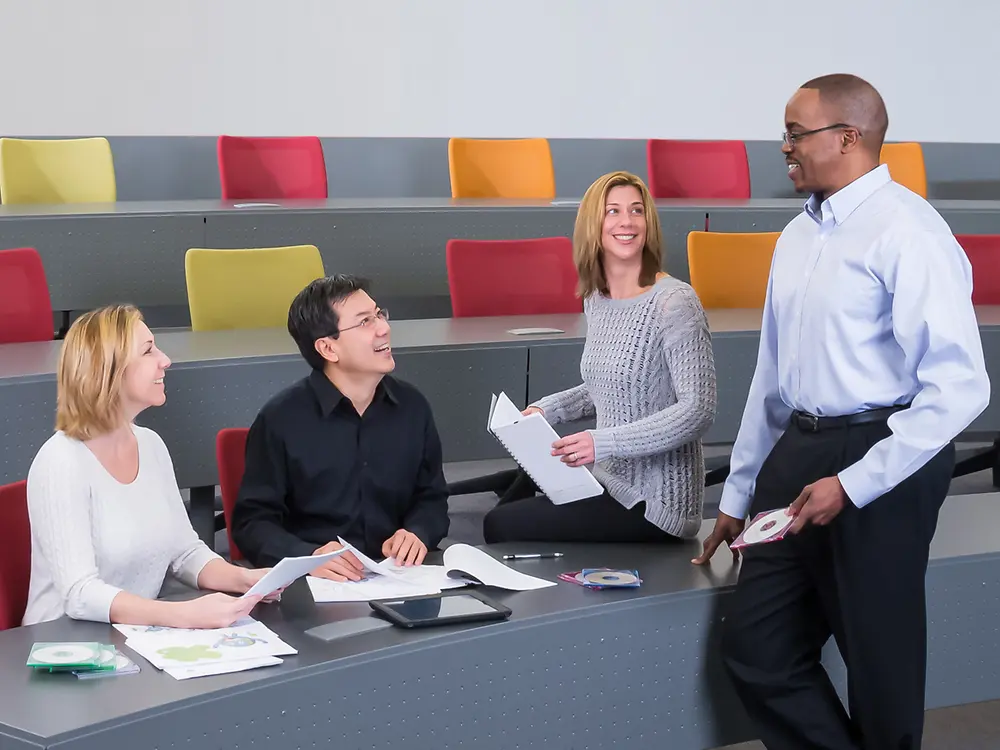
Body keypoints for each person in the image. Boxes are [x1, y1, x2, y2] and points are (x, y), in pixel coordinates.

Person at [693, 74, 990, 750]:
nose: (784, 148)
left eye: (796, 134)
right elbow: (772, 376)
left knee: (881, 675)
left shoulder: (910, 232)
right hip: (799, 448)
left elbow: (960, 386)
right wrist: (739, 491)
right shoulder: (798, 237)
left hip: (885, 458)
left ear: (848, 138)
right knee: (757, 651)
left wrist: (855, 483)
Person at [482, 170, 717, 543]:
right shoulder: (597, 299)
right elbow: (614, 383)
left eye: (637, 210)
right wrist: (548, 410)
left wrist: (601, 442)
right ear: (594, 224)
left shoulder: (675, 303)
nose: (627, 221)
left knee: (500, 525)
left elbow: (698, 409)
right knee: (516, 491)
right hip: (609, 476)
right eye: (613, 211)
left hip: (655, 503)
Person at [23, 305, 274, 628]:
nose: (165, 360)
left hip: (134, 634)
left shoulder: (151, 445)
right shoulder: (61, 461)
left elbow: (183, 553)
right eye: (148, 350)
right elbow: (79, 593)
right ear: (108, 370)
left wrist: (245, 579)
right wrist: (181, 615)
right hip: (65, 645)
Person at [231, 275, 450, 582]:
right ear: (328, 348)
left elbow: (432, 497)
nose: (383, 328)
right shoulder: (281, 419)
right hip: (318, 583)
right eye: (364, 322)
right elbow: (252, 524)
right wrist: (306, 556)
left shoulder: (413, 406)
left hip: (399, 577)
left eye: (379, 315)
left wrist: (418, 532)